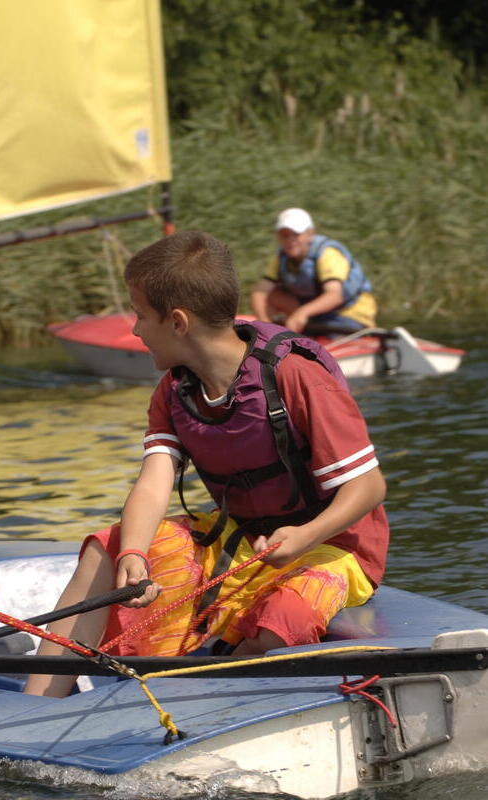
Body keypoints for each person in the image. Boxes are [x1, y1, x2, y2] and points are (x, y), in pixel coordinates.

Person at [24, 230, 388, 698]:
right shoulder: (174, 392)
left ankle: (205, 709)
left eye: (140, 316)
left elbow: (369, 487)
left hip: (331, 545)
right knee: (106, 548)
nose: (134, 329)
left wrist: (304, 536)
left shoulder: (298, 377)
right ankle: (39, 705)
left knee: (285, 620)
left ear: (177, 322)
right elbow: (154, 484)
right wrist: (133, 553)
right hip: (239, 536)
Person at [250, 208, 378, 334]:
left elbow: (335, 295)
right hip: (315, 315)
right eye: (284, 235)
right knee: (272, 294)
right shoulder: (282, 257)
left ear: (310, 234)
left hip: (348, 315)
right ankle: (277, 333)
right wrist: (265, 325)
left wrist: (302, 313)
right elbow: (260, 292)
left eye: (296, 234)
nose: (290, 240)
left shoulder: (328, 254)